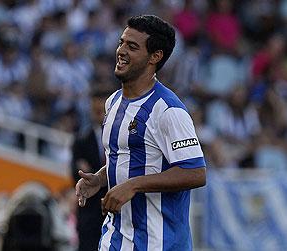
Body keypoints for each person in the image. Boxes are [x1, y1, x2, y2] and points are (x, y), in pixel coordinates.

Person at [75, 14, 206, 251]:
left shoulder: (168, 110)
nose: (121, 51)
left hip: (158, 244)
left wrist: (133, 185)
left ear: (155, 57)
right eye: (121, 42)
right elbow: (128, 157)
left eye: (132, 46)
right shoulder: (113, 102)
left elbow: (195, 172)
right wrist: (100, 178)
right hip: (114, 240)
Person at [70, 89, 110, 251]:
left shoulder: (121, 136)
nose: (98, 112)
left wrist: (93, 173)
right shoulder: (81, 140)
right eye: (95, 109)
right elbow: (76, 174)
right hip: (89, 213)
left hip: (116, 208)